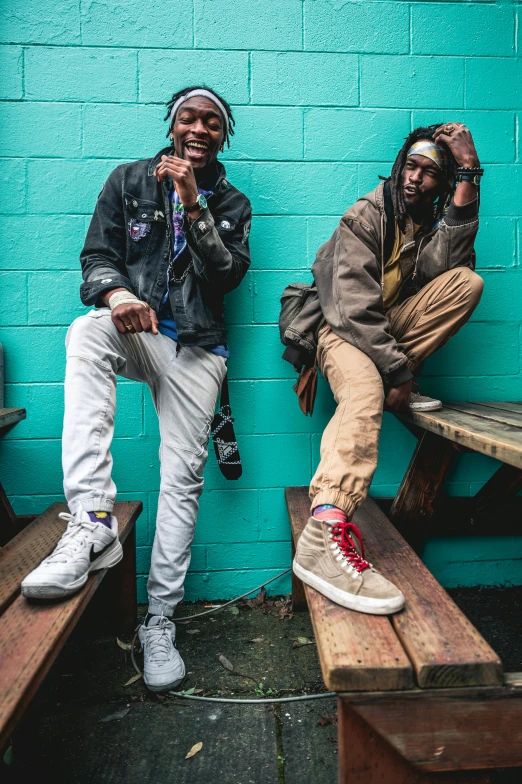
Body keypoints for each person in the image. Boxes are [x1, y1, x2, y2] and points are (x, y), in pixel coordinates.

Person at [21, 86, 252, 692]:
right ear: (172, 126)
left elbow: (225, 274)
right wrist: (118, 294)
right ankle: (93, 519)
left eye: (211, 123)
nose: (198, 129)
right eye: (188, 118)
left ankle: (160, 621)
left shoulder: (231, 202)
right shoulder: (127, 182)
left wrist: (191, 204)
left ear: (223, 137)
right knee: (87, 332)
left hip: (199, 348)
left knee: (183, 479)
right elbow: (98, 255)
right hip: (139, 328)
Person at [290, 123, 484, 615]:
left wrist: (469, 173)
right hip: (342, 331)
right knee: (364, 394)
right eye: (411, 168)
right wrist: (397, 374)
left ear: (442, 183)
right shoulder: (366, 215)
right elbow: (354, 310)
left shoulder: (425, 223)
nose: (416, 179)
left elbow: (450, 269)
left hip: (385, 335)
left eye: (431, 173)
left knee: (467, 283)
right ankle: (324, 535)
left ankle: (385, 373)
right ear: (399, 167)